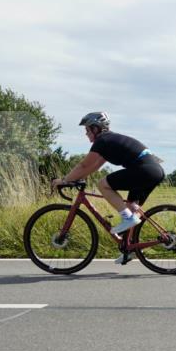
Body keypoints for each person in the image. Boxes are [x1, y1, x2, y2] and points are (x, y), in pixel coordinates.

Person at [52, 112, 164, 263]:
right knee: (131, 207)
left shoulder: (102, 141)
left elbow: (83, 165)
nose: (86, 134)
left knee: (103, 185)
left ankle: (128, 219)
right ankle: (130, 249)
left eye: (87, 130)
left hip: (144, 171)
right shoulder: (109, 141)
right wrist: (77, 178)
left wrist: (63, 180)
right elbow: (93, 167)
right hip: (153, 172)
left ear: (96, 128)